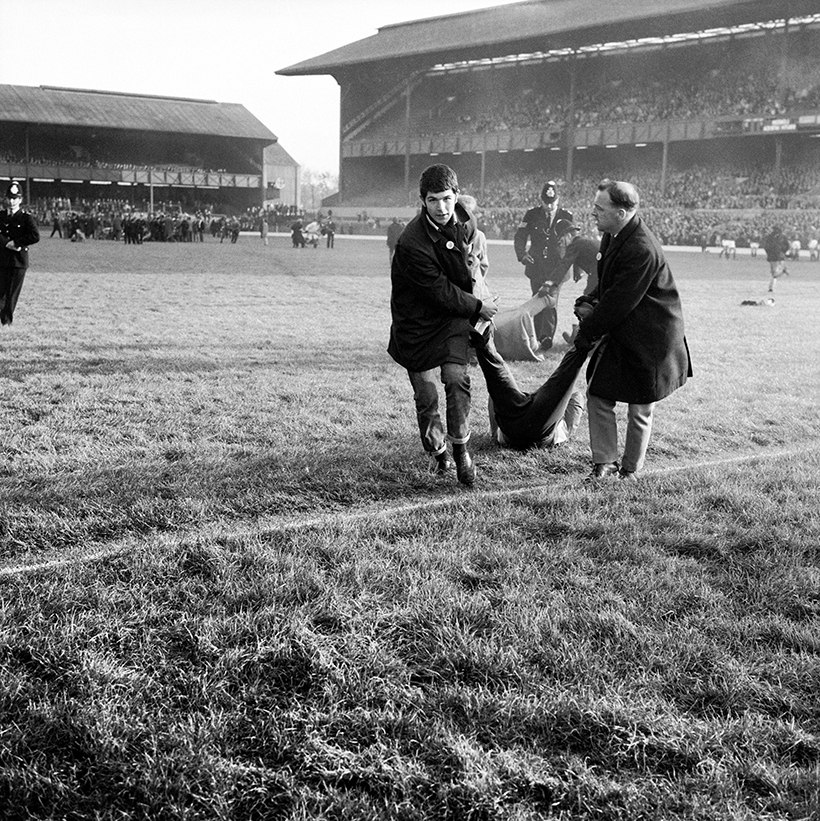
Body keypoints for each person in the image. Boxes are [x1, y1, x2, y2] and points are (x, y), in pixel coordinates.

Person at [388, 164, 499, 486]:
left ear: (456, 195)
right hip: (417, 322)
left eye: (447, 199)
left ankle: (462, 449)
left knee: (456, 377)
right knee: (425, 394)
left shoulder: (466, 222)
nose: (442, 208)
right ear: (423, 200)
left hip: (452, 317)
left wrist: (479, 295)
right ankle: (438, 451)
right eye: (434, 200)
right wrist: (480, 307)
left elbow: (468, 274)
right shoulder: (411, 242)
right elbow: (440, 292)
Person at [574, 179, 692, 481]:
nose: (593, 213)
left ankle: (630, 470)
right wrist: (589, 299)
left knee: (640, 406)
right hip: (626, 329)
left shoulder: (641, 248)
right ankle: (605, 463)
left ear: (623, 212)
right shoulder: (612, 234)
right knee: (599, 393)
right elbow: (609, 284)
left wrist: (587, 329)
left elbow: (618, 302)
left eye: (600, 209)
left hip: (652, 336)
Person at [470, 322, 587, 450]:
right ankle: (586, 336)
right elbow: (576, 397)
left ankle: (484, 331)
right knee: (567, 379)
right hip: (536, 433)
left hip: (511, 429)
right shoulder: (560, 425)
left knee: (496, 371)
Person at [513, 179, 573, 350]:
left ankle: (546, 336)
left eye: (552, 202)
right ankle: (538, 334)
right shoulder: (531, 214)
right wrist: (522, 255)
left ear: (558, 200)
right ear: (541, 200)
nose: (549, 206)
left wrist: (574, 267)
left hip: (557, 267)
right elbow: (520, 236)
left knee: (550, 300)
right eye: (546, 202)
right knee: (537, 298)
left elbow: (572, 243)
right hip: (536, 265)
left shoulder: (566, 216)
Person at [0, 181, 40, 326]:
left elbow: (35, 236)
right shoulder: (1, 216)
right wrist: (6, 243)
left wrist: (17, 243)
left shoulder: (26, 218)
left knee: (12, 294)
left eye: (15, 198)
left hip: (18, 261)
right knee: (1, 291)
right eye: (9, 198)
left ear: (20, 200)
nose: (11, 201)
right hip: (2, 259)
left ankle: (6, 322)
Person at [763, 225, 790, 292]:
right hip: (776, 255)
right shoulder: (781, 237)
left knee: (774, 272)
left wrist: (782, 251)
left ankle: (771, 287)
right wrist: (783, 252)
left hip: (775, 255)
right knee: (773, 272)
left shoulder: (772, 237)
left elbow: (766, 246)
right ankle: (771, 286)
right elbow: (787, 246)